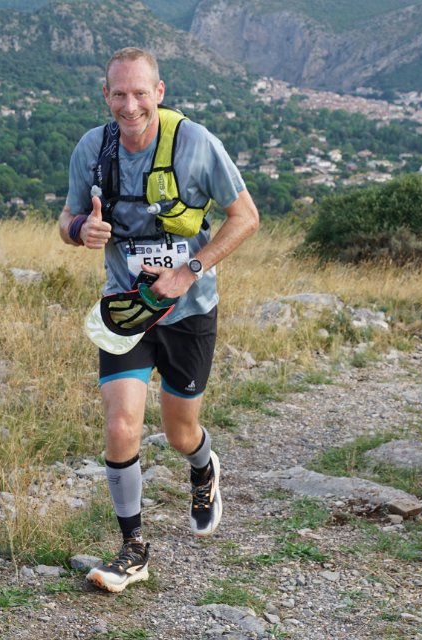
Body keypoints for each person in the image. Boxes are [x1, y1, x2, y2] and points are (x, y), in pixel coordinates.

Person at [58, 47, 260, 593]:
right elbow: (66, 218)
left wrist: (190, 270)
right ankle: (133, 549)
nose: (130, 106)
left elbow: (246, 217)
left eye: (140, 93)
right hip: (127, 307)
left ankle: (202, 466)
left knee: (178, 431)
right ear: (106, 95)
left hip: (189, 310)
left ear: (160, 92)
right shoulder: (92, 149)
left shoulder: (196, 143)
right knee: (120, 424)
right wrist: (80, 231)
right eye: (119, 94)